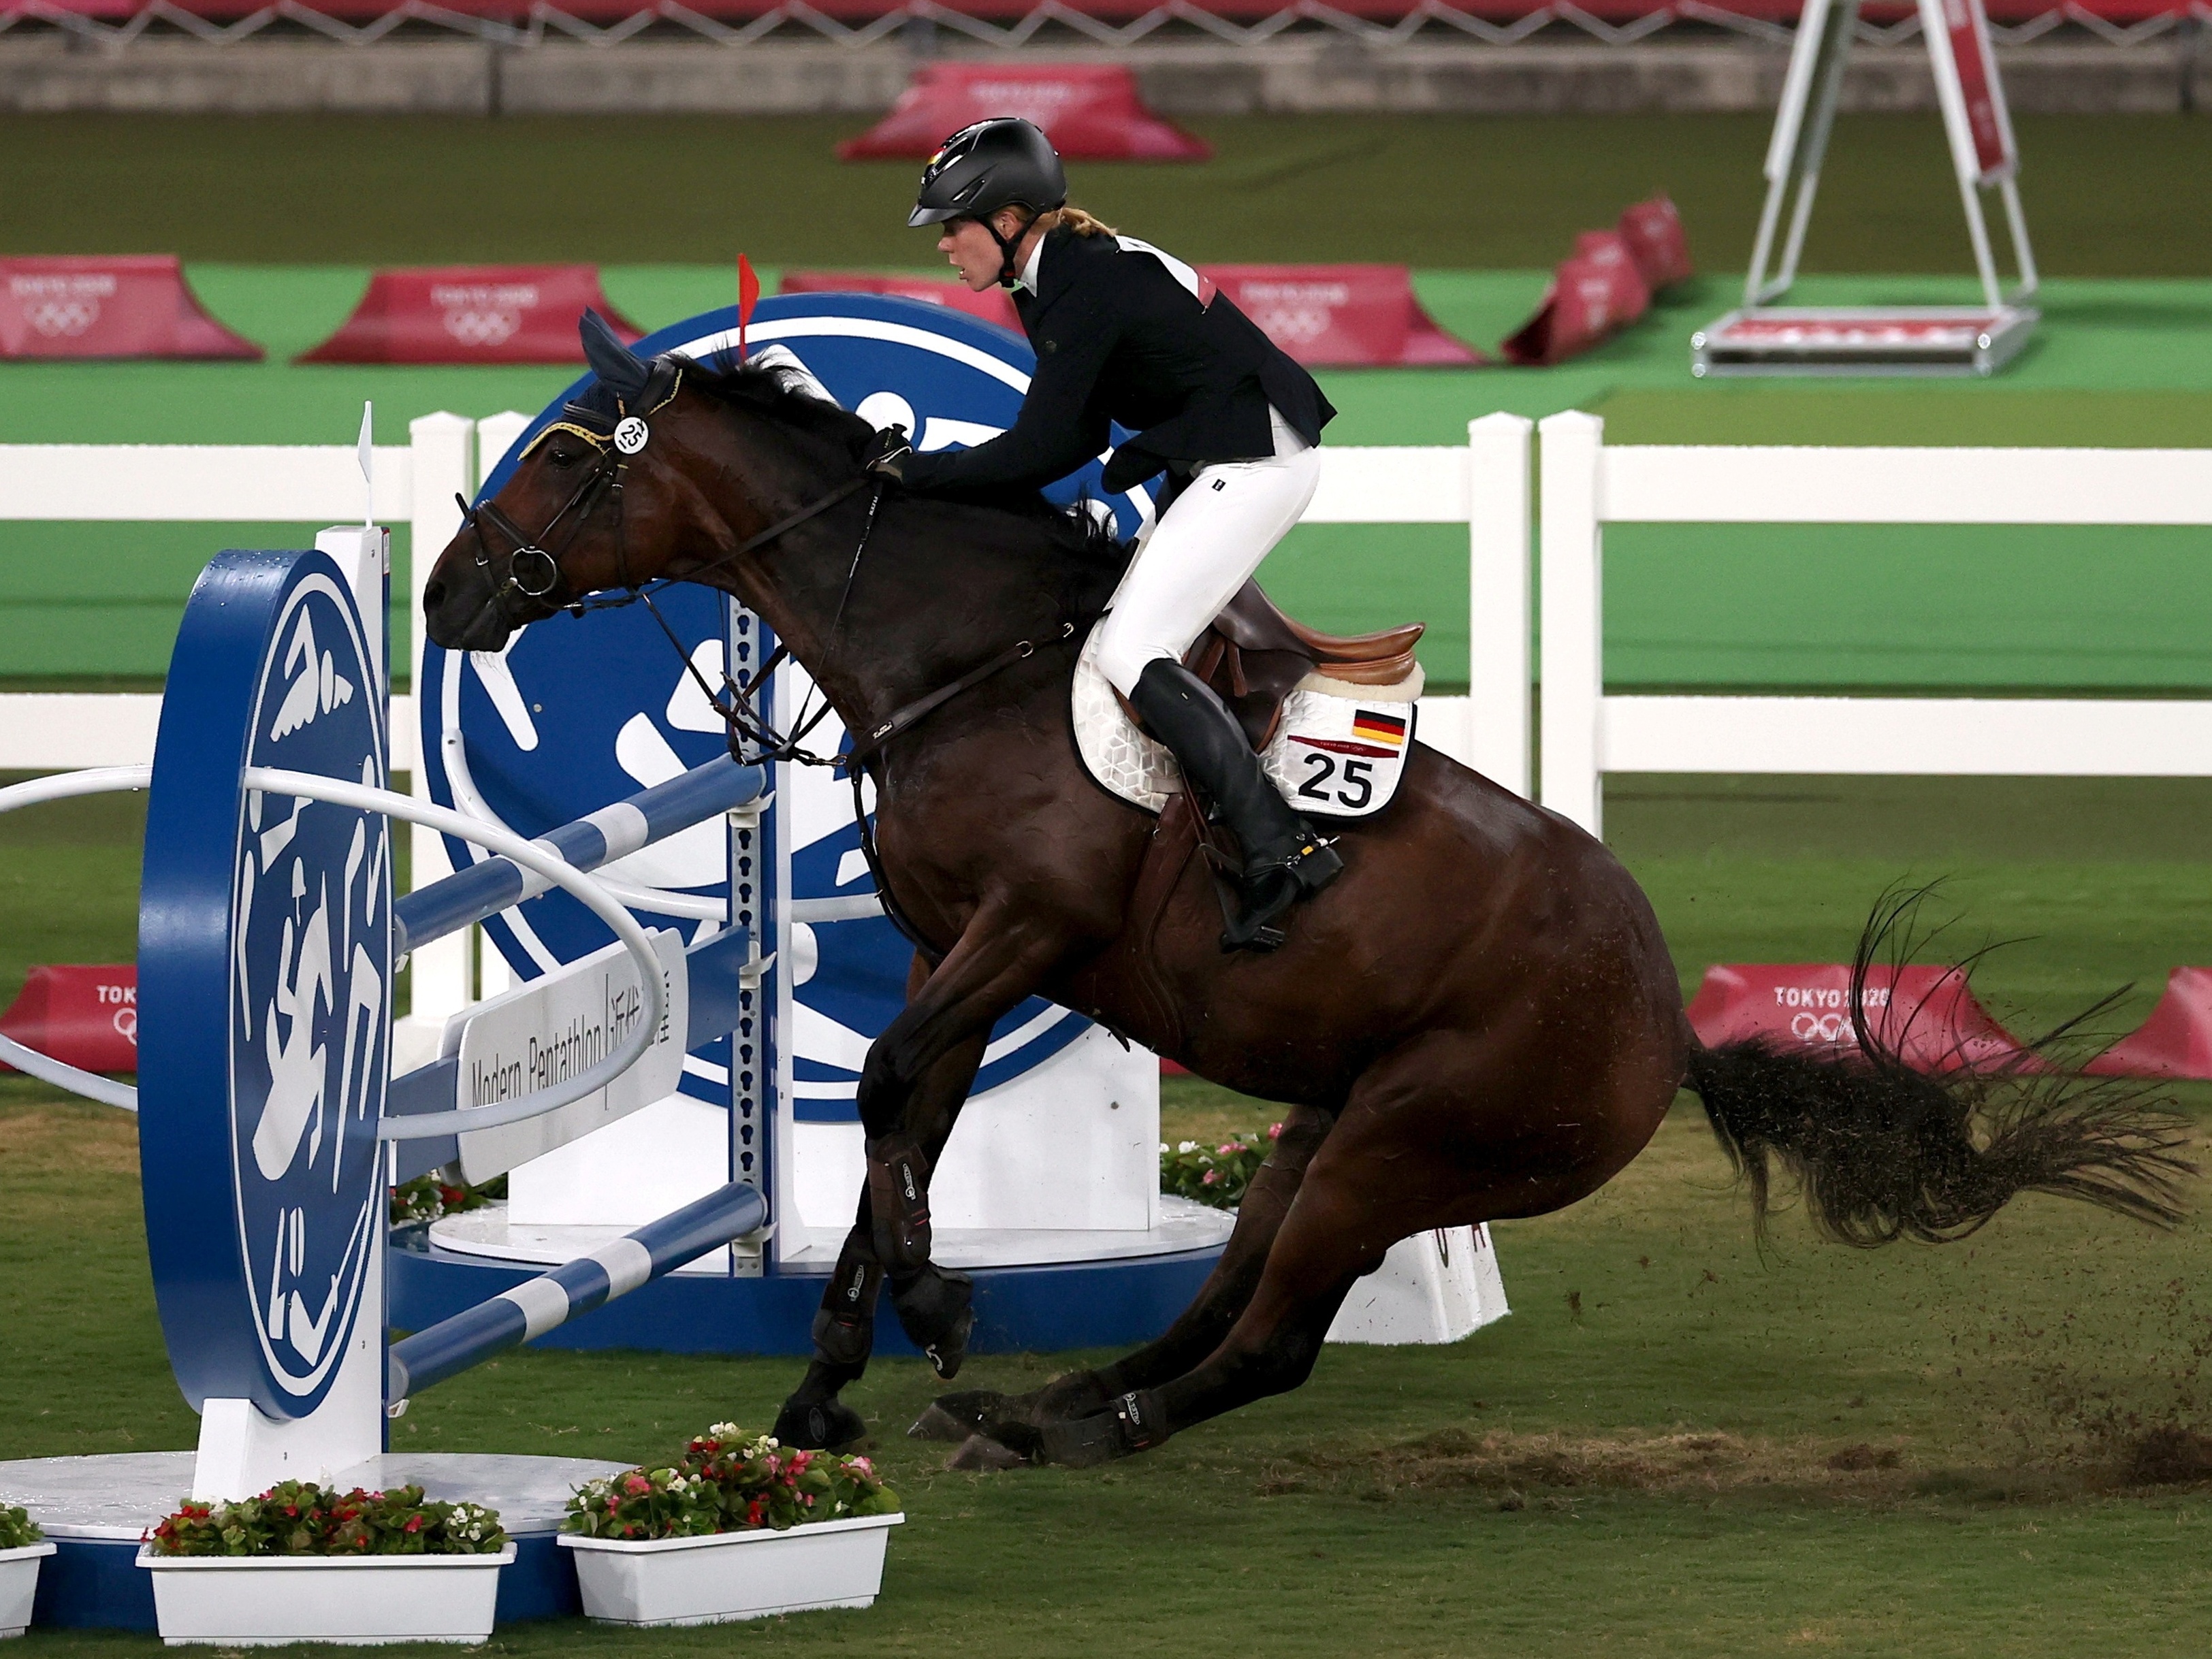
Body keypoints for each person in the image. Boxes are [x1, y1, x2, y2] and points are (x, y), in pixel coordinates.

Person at [865, 116, 1342, 952]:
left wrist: (914, 473)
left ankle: (1280, 848)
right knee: (1120, 635)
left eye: (953, 227)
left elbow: (1044, 448)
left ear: (1007, 223)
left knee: (1130, 650)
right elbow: (1078, 436)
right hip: (1228, 454)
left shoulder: (1081, 285)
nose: (945, 246)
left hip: (1256, 460)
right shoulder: (1055, 279)